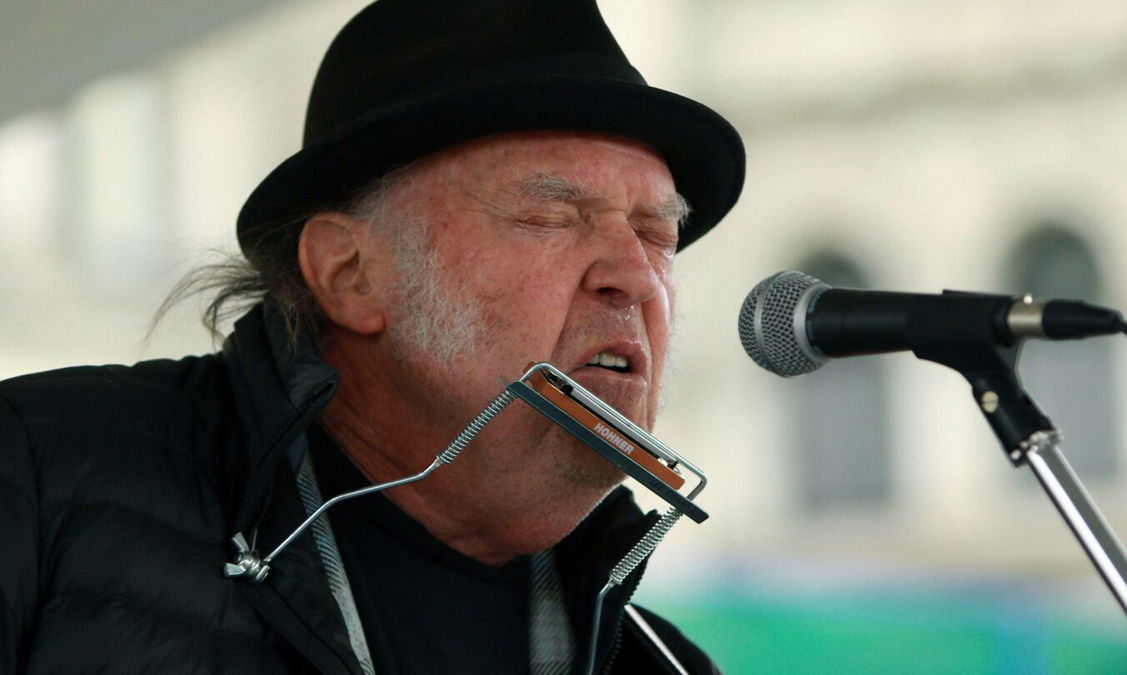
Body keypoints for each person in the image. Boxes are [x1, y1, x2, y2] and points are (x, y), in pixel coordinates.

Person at [0, 1, 744, 673]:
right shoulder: (38, 475)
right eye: (550, 215)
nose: (635, 277)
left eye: (658, 233)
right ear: (350, 272)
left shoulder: (663, 667)